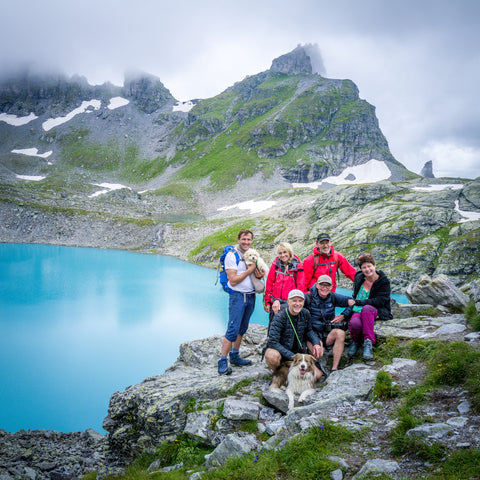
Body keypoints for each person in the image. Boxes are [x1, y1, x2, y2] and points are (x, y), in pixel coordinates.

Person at [218, 228, 266, 375]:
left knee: (242, 328)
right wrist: (249, 270)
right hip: (238, 296)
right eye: (244, 239)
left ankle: (235, 355)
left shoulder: (252, 254)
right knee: (233, 329)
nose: (246, 242)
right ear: (238, 239)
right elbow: (232, 281)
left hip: (251, 296)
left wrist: (259, 274)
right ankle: (222, 360)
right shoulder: (232, 256)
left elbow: (256, 276)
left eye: (249, 239)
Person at [264, 289, 323, 380]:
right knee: (272, 355)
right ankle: (278, 371)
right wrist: (293, 357)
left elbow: (309, 331)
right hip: (283, 353)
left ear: (303, 302)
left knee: (318, 375)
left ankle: (292, 371)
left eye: (300, 301)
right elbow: (273, 342)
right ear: (288, 302)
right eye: (294, 300)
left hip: (298, 353)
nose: (297, 304)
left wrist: (316, 343)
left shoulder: (305, 313)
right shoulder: (280, 316)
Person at [345, 253, 393, 361]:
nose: (367, 269)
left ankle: (368, 342)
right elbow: (354, 296)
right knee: (355, 324)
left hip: (377, 309)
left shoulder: (383, 281)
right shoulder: (359, 278)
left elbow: (381, 301)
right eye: (364, 267)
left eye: (369, 266)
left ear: (374, 265)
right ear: (361, 269)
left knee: (367, 308)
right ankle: (356, 341)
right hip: (358, 310)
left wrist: (361, 302)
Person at [304, 274, 353, 372]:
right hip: (312, 334)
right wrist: (277, 302)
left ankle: (334, 368)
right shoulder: (308, 298)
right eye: (322, 285)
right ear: (317, 285)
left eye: (327, 286)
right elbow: (292, 303)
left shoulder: (333, 297)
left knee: (340, 333)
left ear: (331, 287)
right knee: (318, 354)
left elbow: (353, 302)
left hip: (327, 333)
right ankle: (310, 357)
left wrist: (343, 315)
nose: (324, 288)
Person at [264, 242, 305, 322]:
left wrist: (294, 302)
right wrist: (267, 302)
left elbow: (300, 287)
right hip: (275, 301)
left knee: (288, 327)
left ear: (289, 252)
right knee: (274, 326)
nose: (283, 255)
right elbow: (269, 283)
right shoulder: (275, 265)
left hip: (290, 303)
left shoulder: (298, 266)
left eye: (285, 252)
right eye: (280, 253)